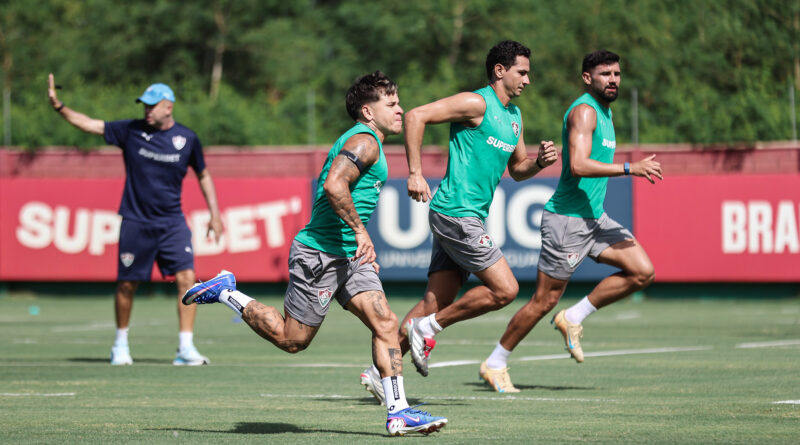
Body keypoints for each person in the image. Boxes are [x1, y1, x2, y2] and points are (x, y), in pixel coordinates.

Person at [182, 72, 447, 437]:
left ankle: (398, 412)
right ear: (368, 112)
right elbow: (333, 184)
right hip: (319, 254)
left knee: (385, 322)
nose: (400, 110)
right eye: (392, 104)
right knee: (293, 340)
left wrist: (357, 243)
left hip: (349, 256)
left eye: (398, 102)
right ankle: (227, 291)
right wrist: (359, 232)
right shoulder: (365, 141)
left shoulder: (373, 142)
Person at [358, 40, 558, 402]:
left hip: (467, 217)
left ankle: (379, 371)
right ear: (500, 71)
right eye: (522, 72)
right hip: (455, 214)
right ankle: (428, 328)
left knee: (436, 300)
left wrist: (540, 163)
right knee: (506, 290)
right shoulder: (477, 102)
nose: (528, 80)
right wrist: (415, 173)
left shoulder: (515, 118)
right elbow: (416, 116)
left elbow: (518, 169)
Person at [478, 50, 663, 393]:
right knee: (543, 301)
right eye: (605, 73)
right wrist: (629, 167)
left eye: (617, 74)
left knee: (643, 271)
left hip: (594, 219)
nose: (613, 79)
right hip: (567, 221)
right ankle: (495, 361)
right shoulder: (584, 112)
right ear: (587, 78)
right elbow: (577, 165)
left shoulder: (606, 112)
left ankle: (573, 317)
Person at [48, 75, 224, 366]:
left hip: (172, 223)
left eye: (152, 105)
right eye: (144, 105)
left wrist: (215, 215)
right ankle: (120, 345)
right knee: (127, 285)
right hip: (135, 222)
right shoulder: (130, 130)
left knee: (187, 280)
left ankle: (185, 348)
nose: (147, 110)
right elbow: (90, 124)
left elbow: (203, 174)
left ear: (168, 107)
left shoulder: (187, 139)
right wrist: (60, 107)